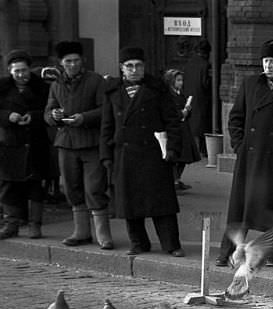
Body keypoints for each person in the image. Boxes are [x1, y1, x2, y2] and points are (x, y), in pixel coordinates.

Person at [215, 38, 273, 267]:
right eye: (265, 61)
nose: (268, 66)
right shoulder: (250, 85)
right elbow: (235, 117)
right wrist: (239, 145)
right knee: (240, 206)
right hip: (250, 157)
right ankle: (227, 250)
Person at [99, 46, 185, 257]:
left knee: (162, 203)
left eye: (139, 65)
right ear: (122, 68)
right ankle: (138, 243)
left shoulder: (158, 90)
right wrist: (106, 155)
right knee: (130, 203)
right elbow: (106, 126)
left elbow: (172, 121)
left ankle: (171, 244)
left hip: (154, 153)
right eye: (129, 66)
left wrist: (172, 148)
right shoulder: (112, 92)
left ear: (145, 67)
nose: (134, 70)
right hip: (125, 155)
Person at [44, 40, 113, 249]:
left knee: (94, 188)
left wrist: (83, 118)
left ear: (82, 61)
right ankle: (81, 232)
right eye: (68, 61)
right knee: (71, 187)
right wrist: (54, 116)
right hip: (66, 143)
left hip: (91, 143)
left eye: (76, 61)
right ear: (61, 63)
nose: (72, 65)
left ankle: (103, 234)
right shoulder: (56, 84)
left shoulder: (96, 81)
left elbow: (105, 110)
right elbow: (48, 112)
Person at [0, 50, 50, 240]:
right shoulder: (3, 89)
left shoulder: (41, 89)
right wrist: (7, 116)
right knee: (9, 185)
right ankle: (11, 223)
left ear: (30, 70)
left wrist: (34, 117)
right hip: (11, 143)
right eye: (17, 71)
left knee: (35, 183)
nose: (21, 75)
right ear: (10, 72)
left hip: (35, 142)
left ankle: (35, 224)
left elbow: (49, 109)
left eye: (24, 70)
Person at [163, 68, 201, 192]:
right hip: (174, 128)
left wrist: (188, 110)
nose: (181, 83)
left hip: (184, 128)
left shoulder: (181, 94)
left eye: (181, 80)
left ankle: (177, 179)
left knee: (184, 156)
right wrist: (182, 112)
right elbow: (169, 113)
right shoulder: (168, 96)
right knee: (175, 157)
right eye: (178, 80)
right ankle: (173, 180)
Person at [182, 38, 211, 156]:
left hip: (189, 96)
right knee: (203, 124)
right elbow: (206, 83)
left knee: (192, 122)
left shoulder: (189, 63)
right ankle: (203, 150)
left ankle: (193, 149)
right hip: (202, 97)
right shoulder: (205, 64)